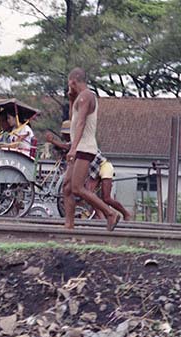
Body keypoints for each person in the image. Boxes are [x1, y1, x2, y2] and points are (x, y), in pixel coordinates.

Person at [63, 67, 120, 231]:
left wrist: (73, 149)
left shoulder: (87, 96)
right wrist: (71, 99)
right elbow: (72, 120)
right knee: (67, 187)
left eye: (69, 84)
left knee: (77, 188)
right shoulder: (79, 98)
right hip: (79, 146)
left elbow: (81, 122)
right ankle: (69, 225)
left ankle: (110, 213)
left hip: (84, 148)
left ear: (73, 81)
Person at [86, 152, 132, 221]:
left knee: (106, 198)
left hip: (104, 166)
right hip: (94, 172)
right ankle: (101, 216)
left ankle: (125, 213)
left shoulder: (83, 146)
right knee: (88, 195)